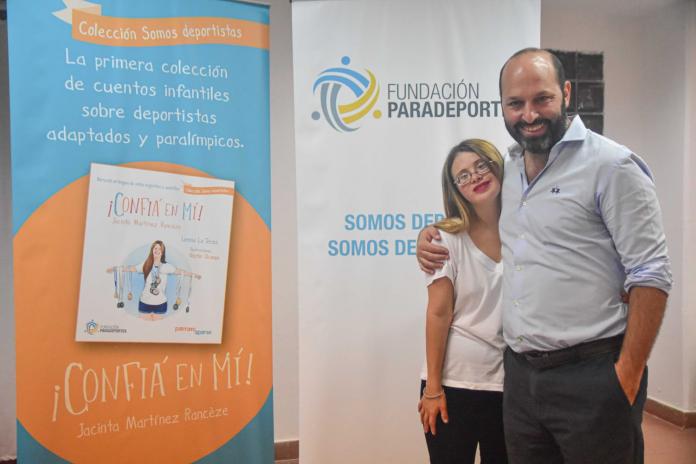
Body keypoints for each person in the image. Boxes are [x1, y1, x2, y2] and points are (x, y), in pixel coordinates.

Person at [417, 48, 671, 463]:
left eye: (542, 99)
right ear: (502, 107)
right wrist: (428, 235)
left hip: (592, 375)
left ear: (566, 93)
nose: (529, 114)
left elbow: (652, 273)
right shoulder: (511, 171)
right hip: (519, 380)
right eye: (515, 103)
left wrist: (626, 374)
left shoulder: (611, 166)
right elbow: (473, 218)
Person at [418, 139, 508, 464]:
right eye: (464, 176)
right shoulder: (444, 240)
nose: (475, 177)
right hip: (454, 384)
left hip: (511, 386)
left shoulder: (527, 231)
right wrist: (433, 388)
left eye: (481, 166)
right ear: (455, 189)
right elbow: (438, 314)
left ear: (497, 165)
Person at [107, 240, 200, 320]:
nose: (157, 250)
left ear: (162, 252)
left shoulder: (167, 266)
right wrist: (116, 269)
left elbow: (179, 271)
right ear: (152, 250)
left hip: (161, 304)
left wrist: (193, 274)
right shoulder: (146, 264)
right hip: (144, 303)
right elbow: (132, 269)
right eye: (155, 248)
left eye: (159, 248)